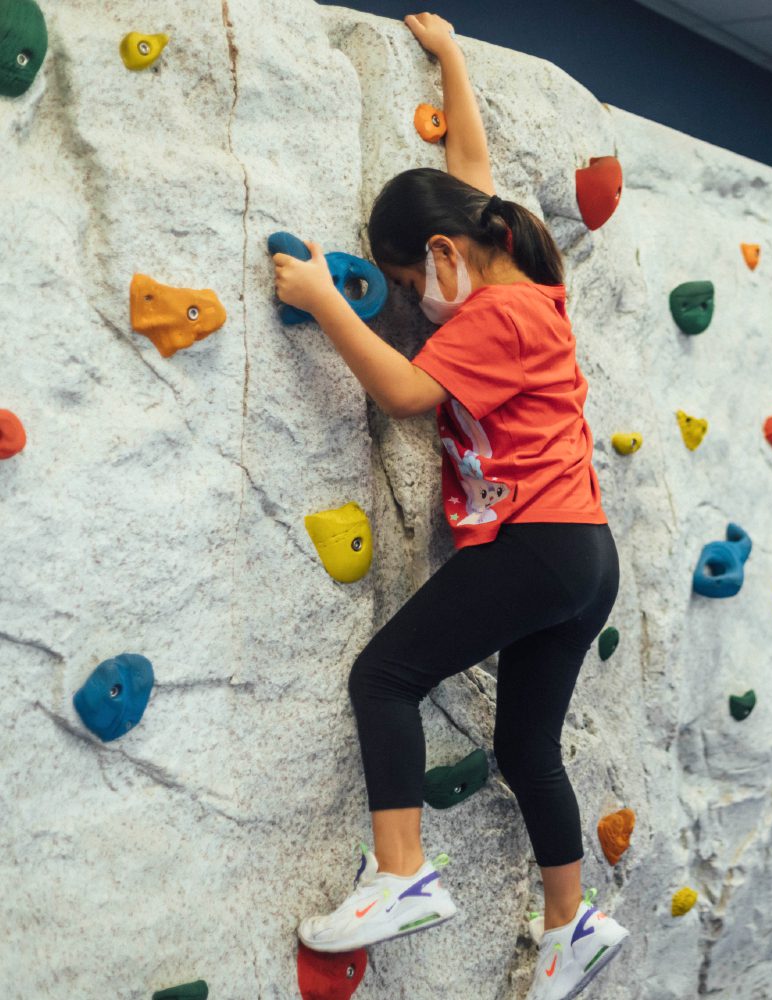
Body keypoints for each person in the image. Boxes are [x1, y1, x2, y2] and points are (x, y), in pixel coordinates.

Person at [272, 13, 627, 999]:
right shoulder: (531, 275)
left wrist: (324, 299)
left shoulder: (491, 315)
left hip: (536, 544)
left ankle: (398, 873)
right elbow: (471, 172)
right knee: (525, 744)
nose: (406, 298)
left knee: (384, 675)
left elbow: (404, 395)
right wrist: (453, 61)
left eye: (401, 280)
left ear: (441, 253)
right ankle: (570, 921)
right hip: (583, 554)